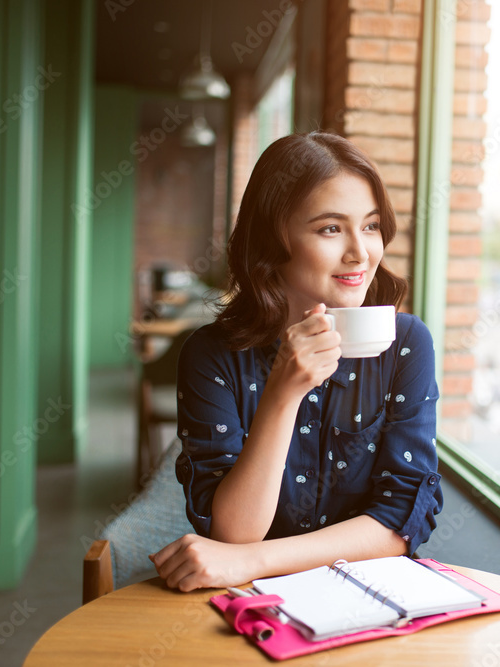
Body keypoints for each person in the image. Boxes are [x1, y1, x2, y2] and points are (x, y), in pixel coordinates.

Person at [150, 132, 442, 592]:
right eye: (330, 228)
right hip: (251, 607)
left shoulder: (406, 344)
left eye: (370, 226)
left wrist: (253, 562)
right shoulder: (212, 356)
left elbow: (399, 524)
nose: (360, 253)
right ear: (273, 239)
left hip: (368, 598)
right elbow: (233, 533)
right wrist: (283, 393)